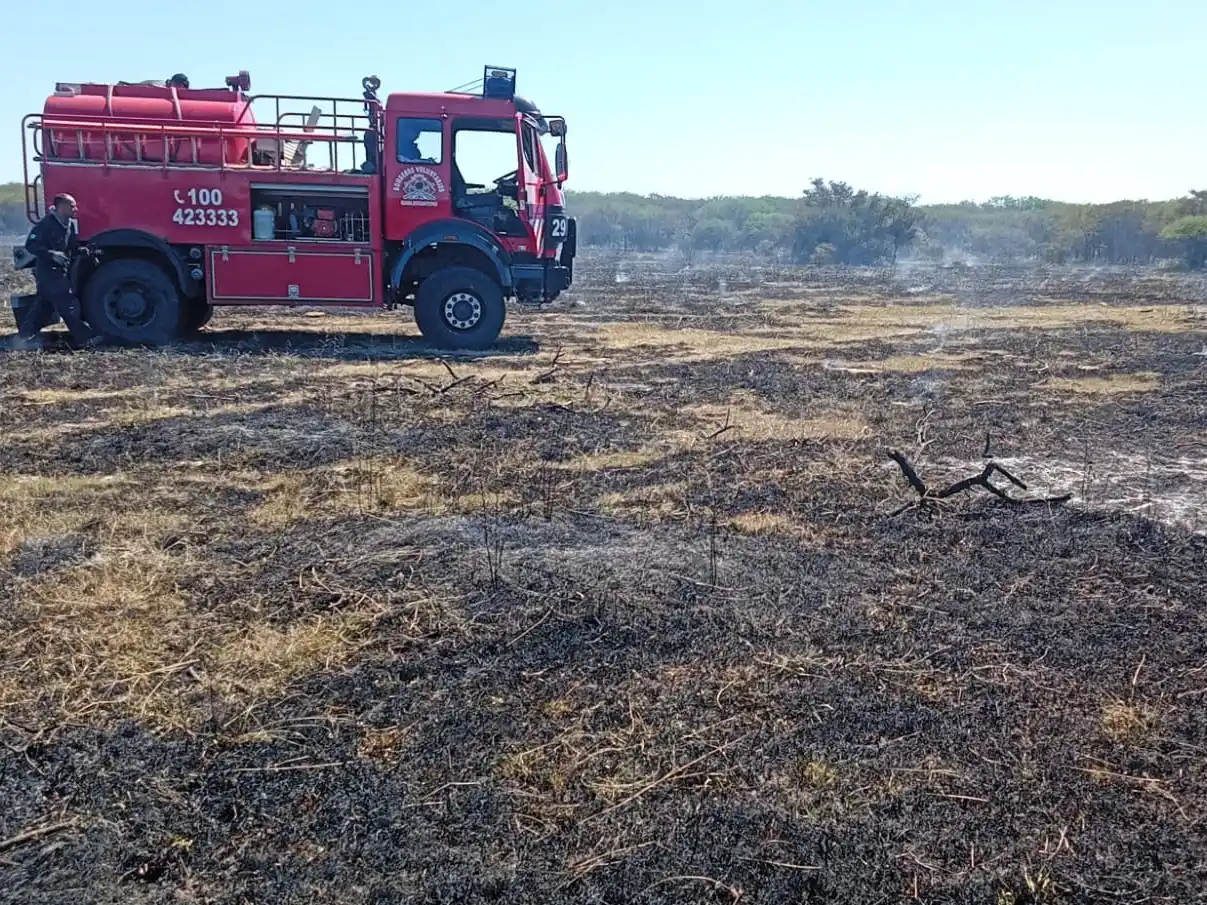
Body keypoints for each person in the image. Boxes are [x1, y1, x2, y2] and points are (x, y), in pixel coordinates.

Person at [19, 194, 103, 350]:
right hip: (47, 272)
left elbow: (71, 247)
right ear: (61, 207)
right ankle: (85, 339)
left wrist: (82, 251)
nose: (75, 209)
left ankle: (23, 337)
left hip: (60, 271)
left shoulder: (69, 225)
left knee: (44, 306)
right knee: (67, 303)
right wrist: (51, 254)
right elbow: (31, 245)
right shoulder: (46, 225)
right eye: (72, 206)